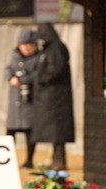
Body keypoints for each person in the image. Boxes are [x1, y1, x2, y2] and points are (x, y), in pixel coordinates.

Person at [32, 23, 75, 169]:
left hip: (56, 98)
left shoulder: (55, 48)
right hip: (52, 96)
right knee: (54, 131)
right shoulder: (51, 48)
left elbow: (56, 69)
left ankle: (59, 161)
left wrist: (41, 79)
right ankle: (57, 159)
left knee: (57, 131)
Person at [5, 28, 40, 167]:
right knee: (10, 131)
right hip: (15, 101)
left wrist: (23, 79)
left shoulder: (39, 58)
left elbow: (38, 75)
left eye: (29, 44)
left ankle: (29, 160)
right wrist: (11, 77)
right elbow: (8, 69)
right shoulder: (15, 57)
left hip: (30, 101)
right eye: (23, 44)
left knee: (30, 131)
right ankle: (7, 160)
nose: (26, 47)